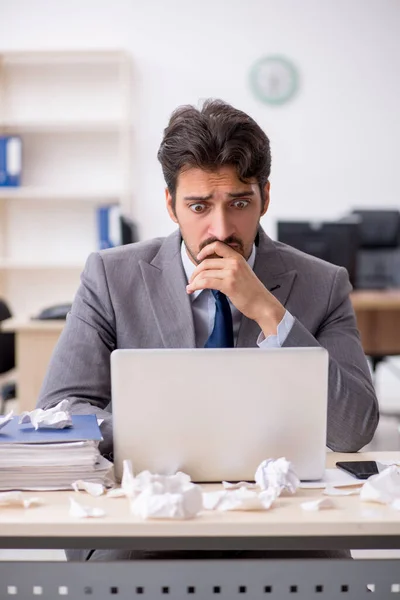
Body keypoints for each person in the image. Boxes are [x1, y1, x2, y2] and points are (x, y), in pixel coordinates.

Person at [37, 99, 379, 561]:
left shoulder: (323, 282)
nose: (221, 229)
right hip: (144, 515)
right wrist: (153, 432)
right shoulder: (111, 276)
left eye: (239, 203)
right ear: (171, 206)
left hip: (279, 517)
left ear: (265, 198)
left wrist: (270, 313)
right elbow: (58, 414)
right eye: (199, 206)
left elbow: (353, 429)